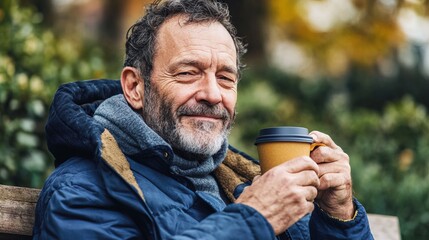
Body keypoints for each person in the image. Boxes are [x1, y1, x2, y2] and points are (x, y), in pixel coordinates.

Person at [33, 0, 373, 239]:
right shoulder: (80, 190)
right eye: (188, 72)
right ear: (135, 87)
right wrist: (253, 219)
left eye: (225, 78)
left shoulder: (244, 180)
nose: (212, 94)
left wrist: (338, 216)